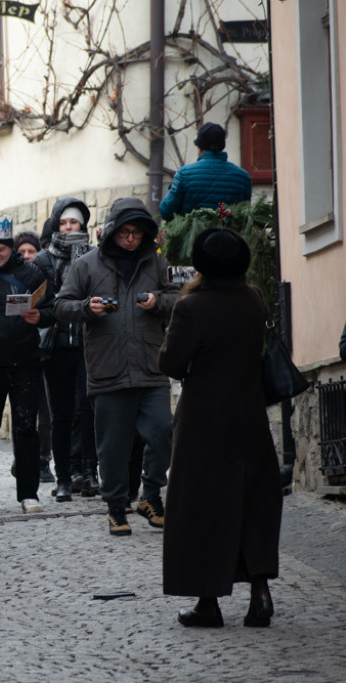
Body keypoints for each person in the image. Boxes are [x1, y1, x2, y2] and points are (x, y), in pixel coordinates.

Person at [159, 228, 282, 628]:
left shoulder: (192, 308)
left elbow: (172, 364)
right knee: (253, 504)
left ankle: (208, 602)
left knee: (201, 507)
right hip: (249, 417)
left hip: (203, 424)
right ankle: (259, 594)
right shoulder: (253, 299)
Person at [54, 197, 180, 536]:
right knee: (113, 446)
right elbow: (61, 306)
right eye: (124, 232)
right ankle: (115, 507)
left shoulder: (156, 264)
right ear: (111, 232)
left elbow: (178, 298)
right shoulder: (87, 266)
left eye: (137, 233)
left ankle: (150, 495)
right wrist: (86, 307)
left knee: (162, 431)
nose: (130, 239)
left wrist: (158, 302)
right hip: (108, 367)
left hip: (150, 366)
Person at [0, 218, 53, 514]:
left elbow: (53, 307)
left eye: (1, 249)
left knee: (27, 428)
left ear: (10, 248)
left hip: (26, 361)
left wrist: (40, 317)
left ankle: (29, 495)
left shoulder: (31, 273)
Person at [33, 198, 100, 501]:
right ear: (56, 225)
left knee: (87, 411)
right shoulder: (43, 261)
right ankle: (62, 478)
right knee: (60, 415)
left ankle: (89, 472)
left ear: (83, 225)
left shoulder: (96, 257)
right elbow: (40, 305)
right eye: (64, 223)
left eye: (74, 223)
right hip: (56, 346)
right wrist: (58, 310)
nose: (69, 228)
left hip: (89, 344)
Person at [13, 231, 55, 483]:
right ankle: (23, 458)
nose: (27, 256)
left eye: (32, 251)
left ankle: (42, 460)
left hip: (44, 350)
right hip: (18, 352)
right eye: (22, 252)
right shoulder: (10, 278)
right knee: (24, 411)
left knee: (46, 411)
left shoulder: (44, 278)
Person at [159, 122, 253, 221]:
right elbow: (245, 215)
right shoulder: (243, 177)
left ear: (199, 147)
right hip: (229, 234)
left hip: (191, 235)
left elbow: (166, 212)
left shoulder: (184, 174)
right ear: (222, 145)